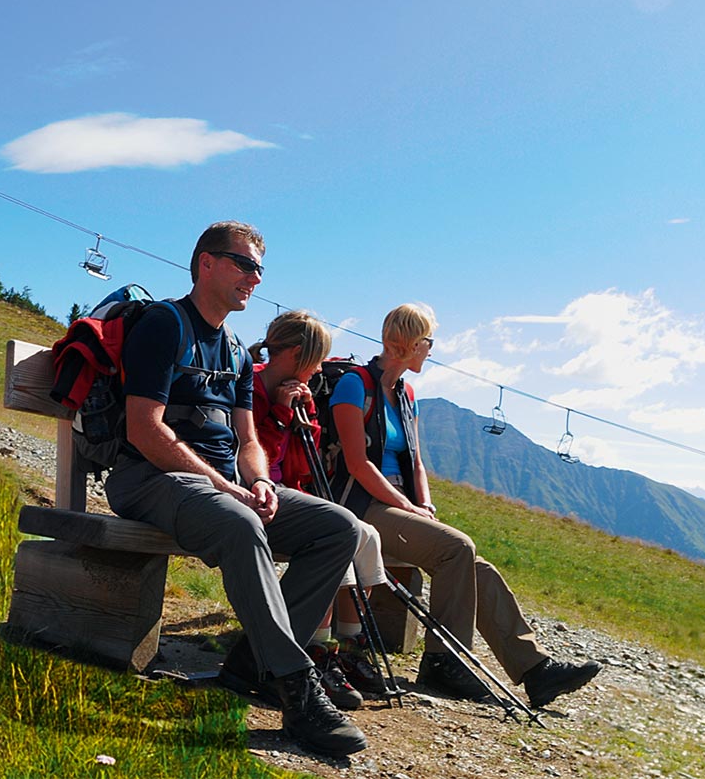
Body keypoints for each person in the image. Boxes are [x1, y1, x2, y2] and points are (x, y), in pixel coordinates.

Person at [103, 222, 367, 757]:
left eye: (259, 269)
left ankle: (252, 662)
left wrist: (262, 480)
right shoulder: (164, 325)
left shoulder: (238, 352)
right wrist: (227, 487)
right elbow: (144, 429)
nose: (254, 278)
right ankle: (296, 689)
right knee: (242, 522)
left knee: (340, 528)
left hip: (220, 488)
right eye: (243, 264)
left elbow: (248, 437)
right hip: (151, 478)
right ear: (205, 263)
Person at [330, 302, 600, 709]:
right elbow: (357, 463)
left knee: (475, 568)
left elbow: (417, 460)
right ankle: (443, 663)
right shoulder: (355, 385)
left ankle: (535, 670)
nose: (431, 349)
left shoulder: (406, 394)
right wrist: (407, 504)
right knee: (457, 548)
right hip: (361, 505)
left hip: (399, 506)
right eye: (427, 341)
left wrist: (426, 504)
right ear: (405, 342)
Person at [249, 309, 391, 707]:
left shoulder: (296, 393)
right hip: (258, 491)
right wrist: (279, 414)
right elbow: (253, 452)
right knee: (335, 535)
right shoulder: (253, 387)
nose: (317, 371)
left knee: (365, 534)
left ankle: (346, 646)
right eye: (315, 362)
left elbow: (304, 462)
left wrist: (306, 417)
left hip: (287, 490)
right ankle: (316, 650)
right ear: (297, 355)